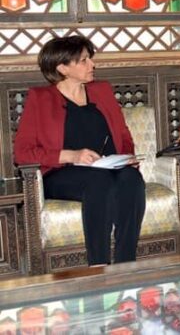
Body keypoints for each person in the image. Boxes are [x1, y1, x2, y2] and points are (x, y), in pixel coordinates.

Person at [14, 35, 146, 266]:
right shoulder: (40, 98)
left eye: (90, 59)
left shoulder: (102, 90)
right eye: (84, 60)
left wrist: (126, 157)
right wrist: (71, 155)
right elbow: (22, 153)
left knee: (132, 179)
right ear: (62, 68)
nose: (92, 65)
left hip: (109, 167)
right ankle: (98, 265)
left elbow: (123, 134)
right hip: (61, 174)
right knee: (99, 181)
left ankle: (126, 264)